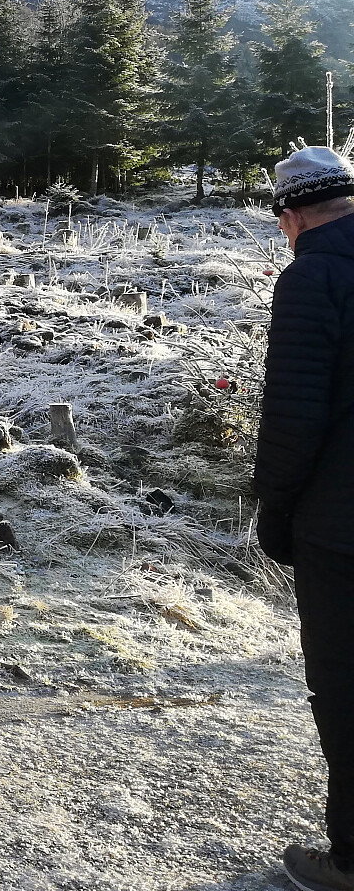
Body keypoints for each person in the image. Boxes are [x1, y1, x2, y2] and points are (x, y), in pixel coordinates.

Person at [254, 146, 354, 891]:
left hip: (341, 527)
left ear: (290, 216)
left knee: (346, 687)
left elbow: (293, 417)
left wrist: (275, 512)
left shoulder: (313, 277)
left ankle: (349, 859)